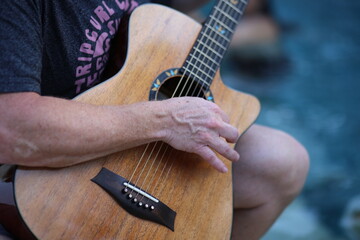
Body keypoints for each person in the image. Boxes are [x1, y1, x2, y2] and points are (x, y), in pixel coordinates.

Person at [0, 0, 309, 239]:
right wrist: (163, 120)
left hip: (133, 140)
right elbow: (10, 128)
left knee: (281, 161)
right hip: (32, 170)